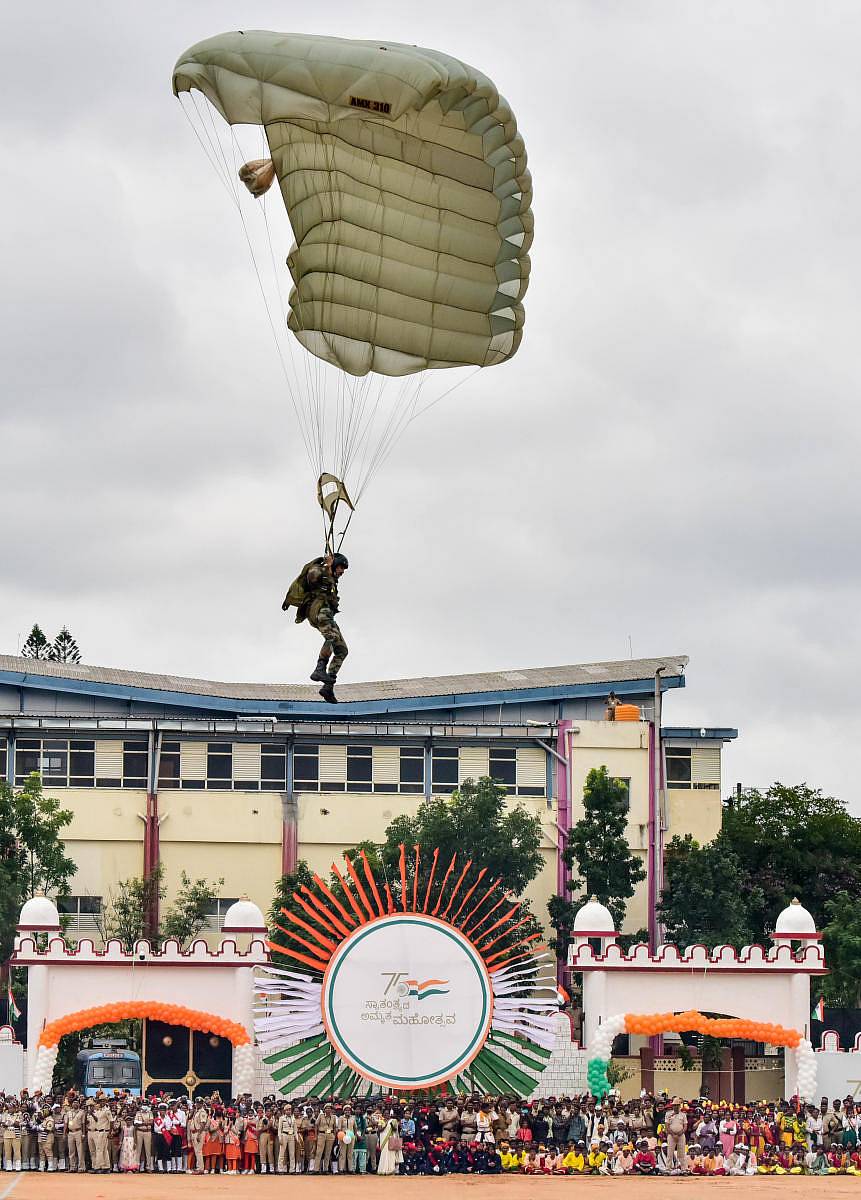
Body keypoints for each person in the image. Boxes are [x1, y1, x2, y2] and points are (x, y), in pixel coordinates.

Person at [282, 552, 349, 703]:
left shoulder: (331, 580)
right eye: (340, 567)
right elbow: (311, 575)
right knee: (331, 637)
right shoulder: (319, 571)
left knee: (342, 650)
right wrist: (327, 565)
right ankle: (319, 669)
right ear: (334, 564)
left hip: (327, 615)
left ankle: (328, 687)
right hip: (318, 611)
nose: (342, 571)